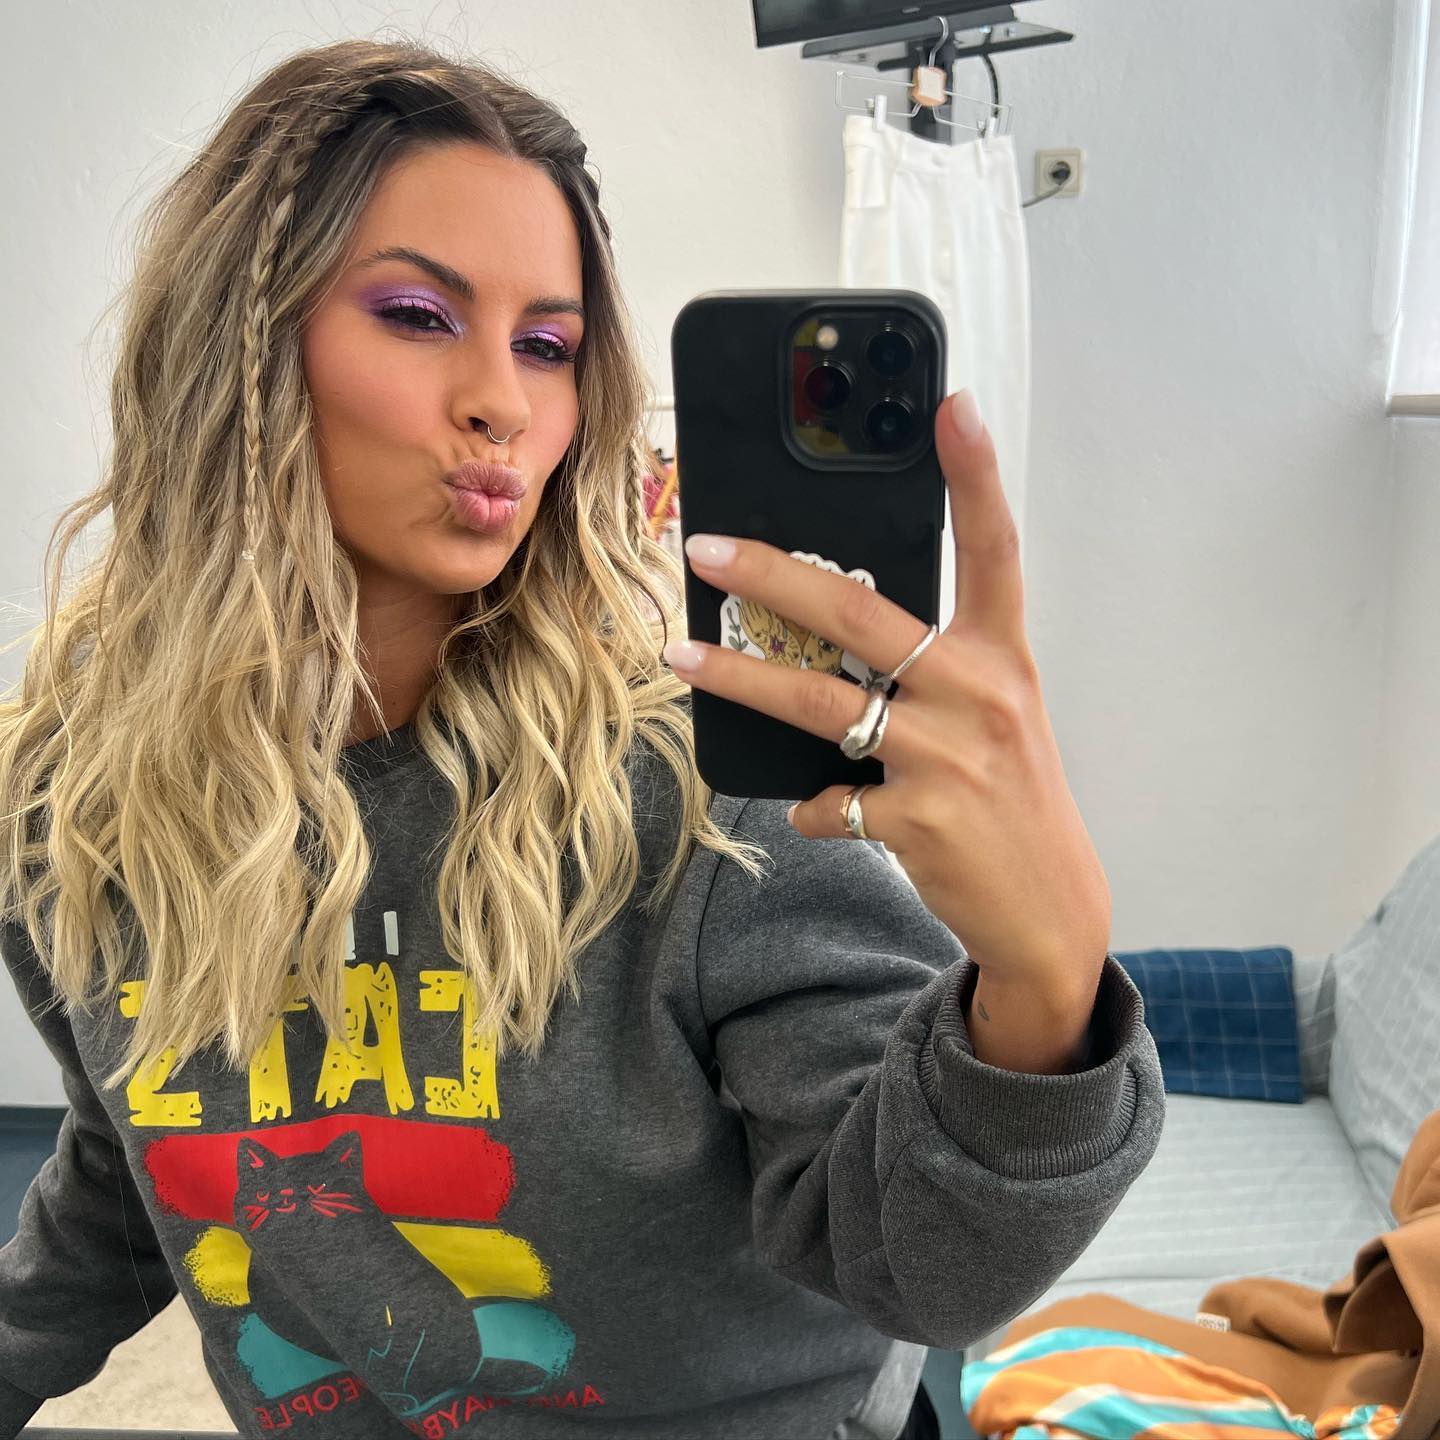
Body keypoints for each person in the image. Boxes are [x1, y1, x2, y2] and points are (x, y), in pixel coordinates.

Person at [0, 36, 1164, 1440]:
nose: (504, 401)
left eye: (547, 346)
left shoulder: (692, 790)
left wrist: (1044, 990)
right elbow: (142, 1150)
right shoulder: (69, 806)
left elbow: (917, 1265)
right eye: (419, 315)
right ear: (231, 345)